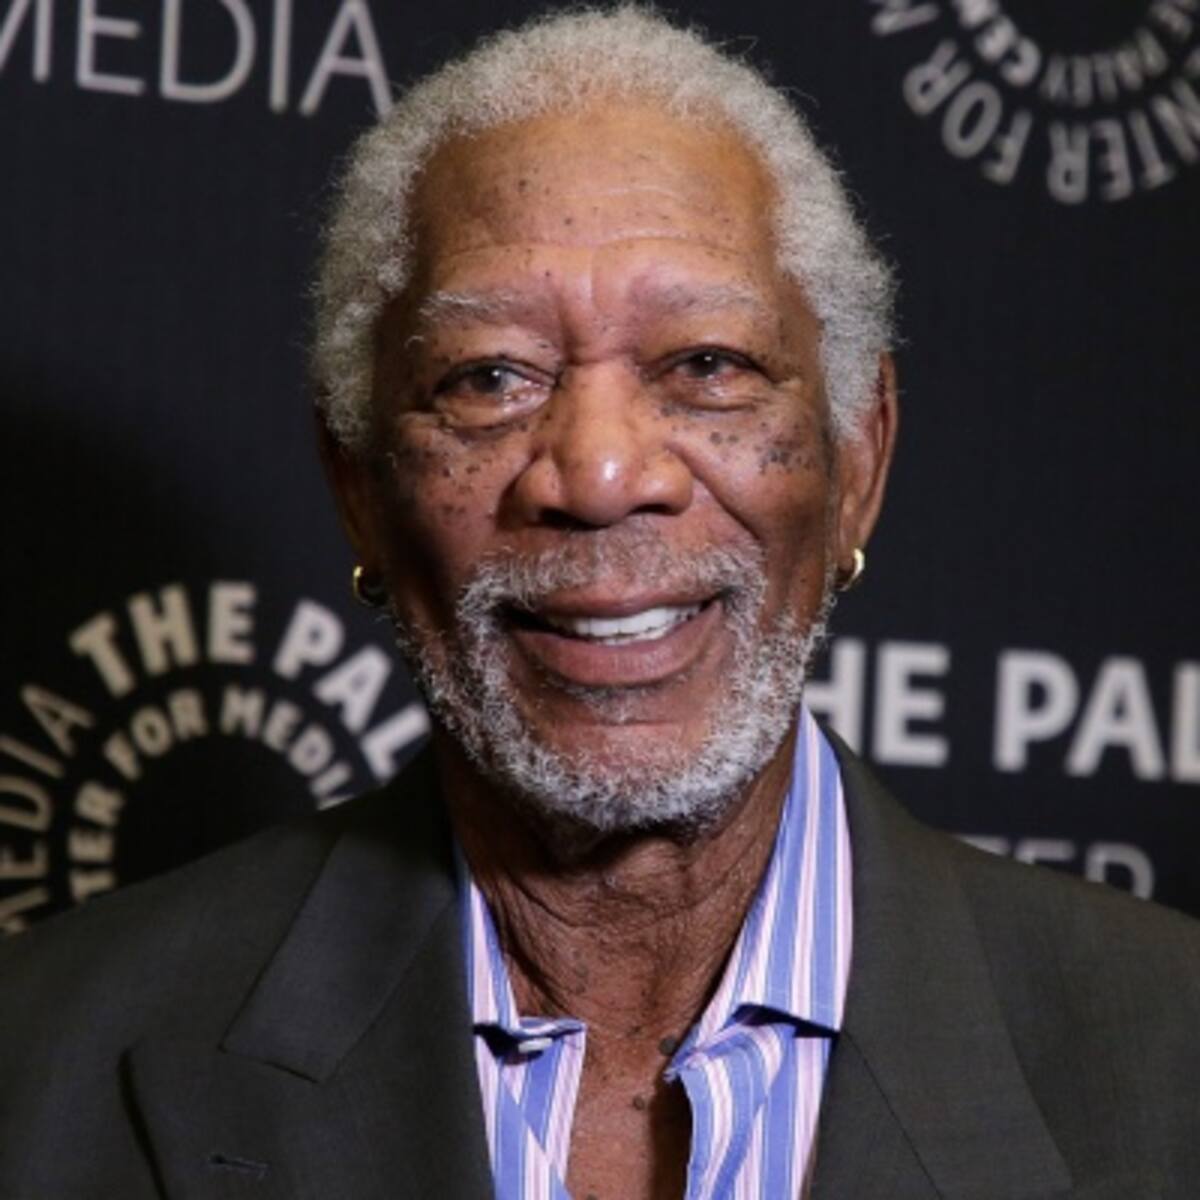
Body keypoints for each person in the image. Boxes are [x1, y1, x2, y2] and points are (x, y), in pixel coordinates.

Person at [1, 8, 1198, 1198]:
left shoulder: (1168, 1055)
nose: (602, 474)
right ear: (358, 484)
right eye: (490, 378)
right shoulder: (42, 1059)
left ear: (859, 461)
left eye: (708, 365)